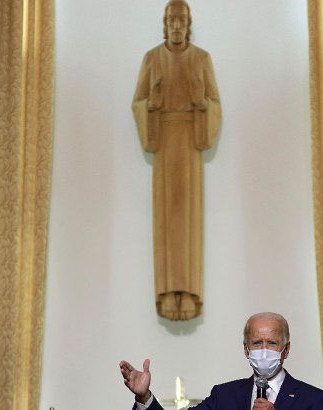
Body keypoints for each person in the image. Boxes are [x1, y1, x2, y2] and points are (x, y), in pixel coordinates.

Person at [132, 0, 222, 321]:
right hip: (164, 142)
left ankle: (191, 292)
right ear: (165, 24)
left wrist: (201, 103)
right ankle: (167, 292)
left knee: (188, 219)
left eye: (181, 20)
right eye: (171, 20)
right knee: (166, 219)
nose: (176, 26)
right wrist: (151, 105)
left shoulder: (201, 59)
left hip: (190, 144)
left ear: (189, 24)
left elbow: (215, 104)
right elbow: (138, 101)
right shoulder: (152, 59)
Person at [119, 312, 323, 409]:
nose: (264, 351)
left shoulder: (313, 400)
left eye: (272, 343)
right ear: (246, 350)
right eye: (257, 343)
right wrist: (144, 397)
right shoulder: (224, 396)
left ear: (286, 349)